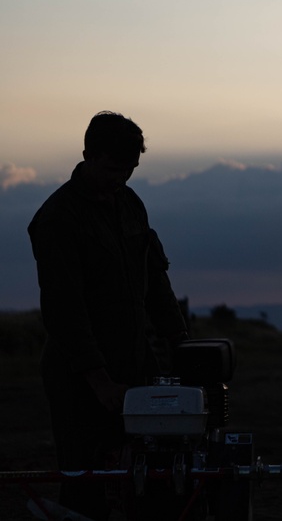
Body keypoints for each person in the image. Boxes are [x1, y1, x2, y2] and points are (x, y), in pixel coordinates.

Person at [27, 111, 189, 521]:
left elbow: (155, 281)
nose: (122, 178)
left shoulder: (131, 205)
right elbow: (64, 310)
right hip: (78, 377)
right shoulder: (57, 219)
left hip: (136, 363)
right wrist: (98, 380)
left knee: (150, 474)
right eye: (114, 169)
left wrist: (180, 342)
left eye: (130, 170)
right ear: (88, 155)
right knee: (86, 482)